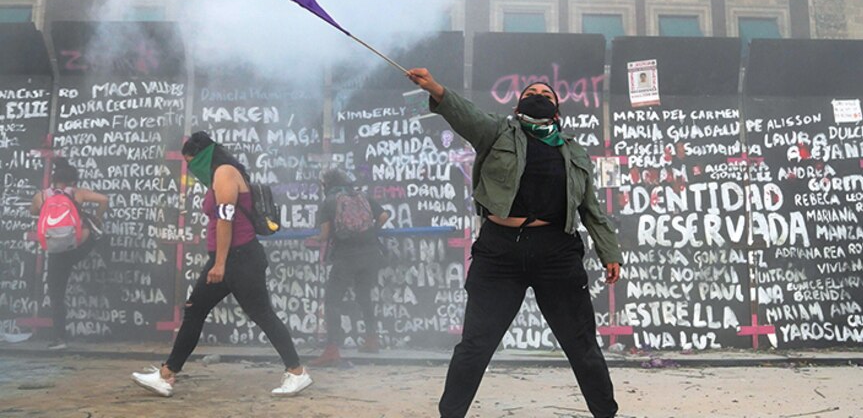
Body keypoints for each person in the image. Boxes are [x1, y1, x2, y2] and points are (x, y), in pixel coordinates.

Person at [407, 68, 623, 418]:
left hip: (557, 252)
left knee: (582, 345)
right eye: (532, 92)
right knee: (475, 345)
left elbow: (590, 208)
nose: (538, 95)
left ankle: (606, 414)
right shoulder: (497, 132)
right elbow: (467, 115)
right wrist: (435, 88)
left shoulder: (575, 152)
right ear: (519, 103)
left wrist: (608, 251)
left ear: (556, 111)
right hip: (499, 252)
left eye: (547, 94)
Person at [130, 131, 312, 398]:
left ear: (202, 156)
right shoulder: (222, 173)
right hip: (232, 257)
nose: (190, 168)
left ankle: (297, 372)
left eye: (191, 160)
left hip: (238, 258)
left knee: (262, 314)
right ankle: (166, 374)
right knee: (195, 310)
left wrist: (220, 263)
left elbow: (226, 219)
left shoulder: (225, 173)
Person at [309, 169, 389, 366]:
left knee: (332, 301)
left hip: (345, 257)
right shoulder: (362, 195)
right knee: (364, 296)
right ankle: (371, 340)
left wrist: (314, 238)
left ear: (326, 184)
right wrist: (371, 232)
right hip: (370, 254)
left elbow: (325, 234)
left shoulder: (329, 201)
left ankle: (332, 350)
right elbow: (384, 215)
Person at [30, 157, 108, 351]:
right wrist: (96, 218)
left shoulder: (42, 196)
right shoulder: (77, 193)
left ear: (54, 179)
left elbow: (33, 212)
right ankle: (96, 237)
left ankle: (59, 338)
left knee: (57, 294)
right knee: (92, 231)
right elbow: (104, 199)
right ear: (73, 181)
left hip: (56, 250)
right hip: (78, 246)